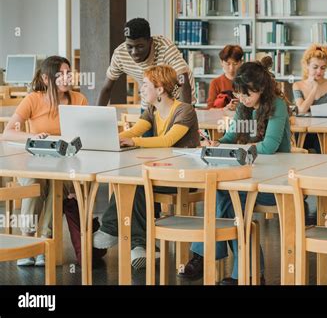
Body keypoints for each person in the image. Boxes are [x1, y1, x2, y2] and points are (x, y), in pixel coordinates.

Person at [180, 56, 292, 285]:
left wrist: (234, 149)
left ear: (261, 89)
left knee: (226, 196)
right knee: (226, 195)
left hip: (276, 181)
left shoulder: (277, 105)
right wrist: (219, 144)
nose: (241, 99)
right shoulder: (244, 105)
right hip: (250, 172)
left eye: (246, 94)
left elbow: (269, 147)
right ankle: (248, 274)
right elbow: (232, 135)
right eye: (238, 93)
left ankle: (203, 256)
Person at [93, 65, 200, 270]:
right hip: (161, 173)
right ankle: (140, 246)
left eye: (145, 85)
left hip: (185, 176)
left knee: (139, 182)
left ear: (160, 89)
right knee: (133, 181)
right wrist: (107, 138)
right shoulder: (152, 110)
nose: (141, 89)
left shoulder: (185, 110)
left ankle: (113, 230)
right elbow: (134, 131)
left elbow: (168, 140)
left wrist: (135, 142)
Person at [2, 56, 106, 266]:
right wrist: (32, 137)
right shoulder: (33, 99)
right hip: (35, 163)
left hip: (67, 164)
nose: (68, 77)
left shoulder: (79, 99)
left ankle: (43, 243)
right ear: (47, 79)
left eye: (69, 72)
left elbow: (85, 136)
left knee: (57, 185)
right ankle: (27, 241)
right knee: (34, 182)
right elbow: (8, 132)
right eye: (62, 74)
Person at [97, 18, 195, 136]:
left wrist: (183, 117)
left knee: (175, 142)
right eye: (129, 46)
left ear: (150, 41)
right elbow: (107, 88)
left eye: (140, 46)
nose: (134, 52)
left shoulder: (165, 47)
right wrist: (97, 118)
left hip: (177, 99)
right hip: (150, 101)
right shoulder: (119, 54)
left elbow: (183, 82)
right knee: (146, 140)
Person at [293, 44, 327, 152]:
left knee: (324, 150)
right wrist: (314, 88)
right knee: (298, 151)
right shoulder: (297, 85)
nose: (319, 71)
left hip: (325, 131)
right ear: (307, 66)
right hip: (304, 133)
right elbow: (301, 110)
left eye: (323, 68)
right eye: (315, 67)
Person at [206, 45, 243, 110]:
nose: (231, 68)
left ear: (241, 62)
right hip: (221, 118)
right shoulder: (215, 83)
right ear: (221, 62)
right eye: (228, 64)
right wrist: (225, 109)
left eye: (235, 64)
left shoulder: (247, 82)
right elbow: (210, 109)